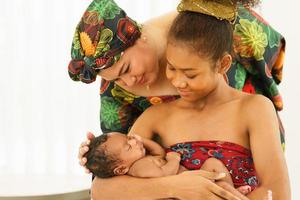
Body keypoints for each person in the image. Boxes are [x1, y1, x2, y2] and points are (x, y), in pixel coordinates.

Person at [69, 0, 287, 199]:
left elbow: (276, 191)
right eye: (171, 68)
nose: (178, 82)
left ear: (223, 65)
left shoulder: (253, 108)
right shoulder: (153, 115)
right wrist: (99, 155)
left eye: (190, 73)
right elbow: (103, 186)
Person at [86, 132, 254, 195]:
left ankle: (233, 191)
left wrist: (142, 140)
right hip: (189, 191)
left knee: (214, 165)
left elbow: (159, 152)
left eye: (129, 138)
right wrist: (174, 159)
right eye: (128, 146)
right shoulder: (139, 168)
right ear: (121, 168)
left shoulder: (143, 159)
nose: (133, 142)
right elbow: (165, 174)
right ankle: (236, 195)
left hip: (196, 181)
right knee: (218, 181)